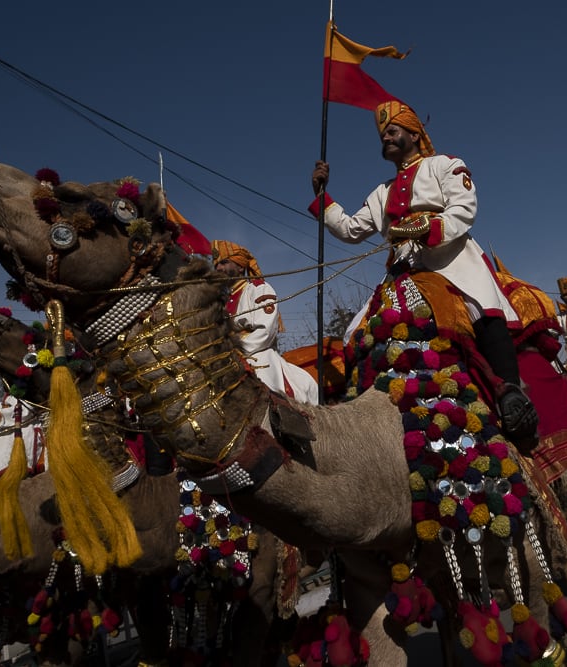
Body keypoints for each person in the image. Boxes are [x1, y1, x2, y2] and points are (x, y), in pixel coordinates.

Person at [309, 100, 537, 447]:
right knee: (356, 332)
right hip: (402, 273)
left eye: (392, 131)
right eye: (382, 135)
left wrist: (428, 227)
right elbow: (351, 229)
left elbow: (464, 209)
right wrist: (322, 196)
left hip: (450, 260)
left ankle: (512, 398)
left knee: (481, 308)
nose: (386, 138)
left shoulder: (445, 165)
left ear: (414, 134)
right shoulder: (381, 193)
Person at [211, 240, 319, 405]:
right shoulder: (220, 303)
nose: (218, 268)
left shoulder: (258, 289)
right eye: (216, 265)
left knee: (265, 391)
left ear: (240, 266)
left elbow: (266, 330)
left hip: (256, 354)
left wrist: (236, 350)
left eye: (224, 262)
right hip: (226, 356)